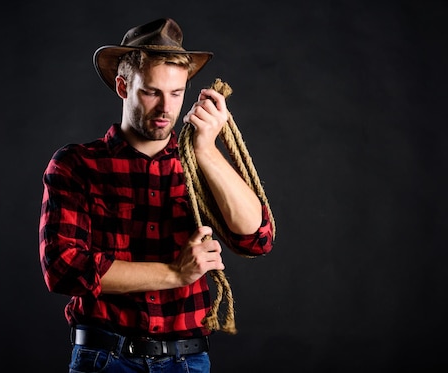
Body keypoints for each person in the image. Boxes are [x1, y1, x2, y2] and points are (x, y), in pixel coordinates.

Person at [38, 18, 274, 373]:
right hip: (104, 358)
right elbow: (63, 268)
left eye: (177, 93)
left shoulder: (199, 165)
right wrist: (174, 274)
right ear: (123, 86)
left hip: (188, 360)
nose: (166, 107)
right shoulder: (76, 165)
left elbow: (257, 239)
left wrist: (207, 151)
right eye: (151, 91)